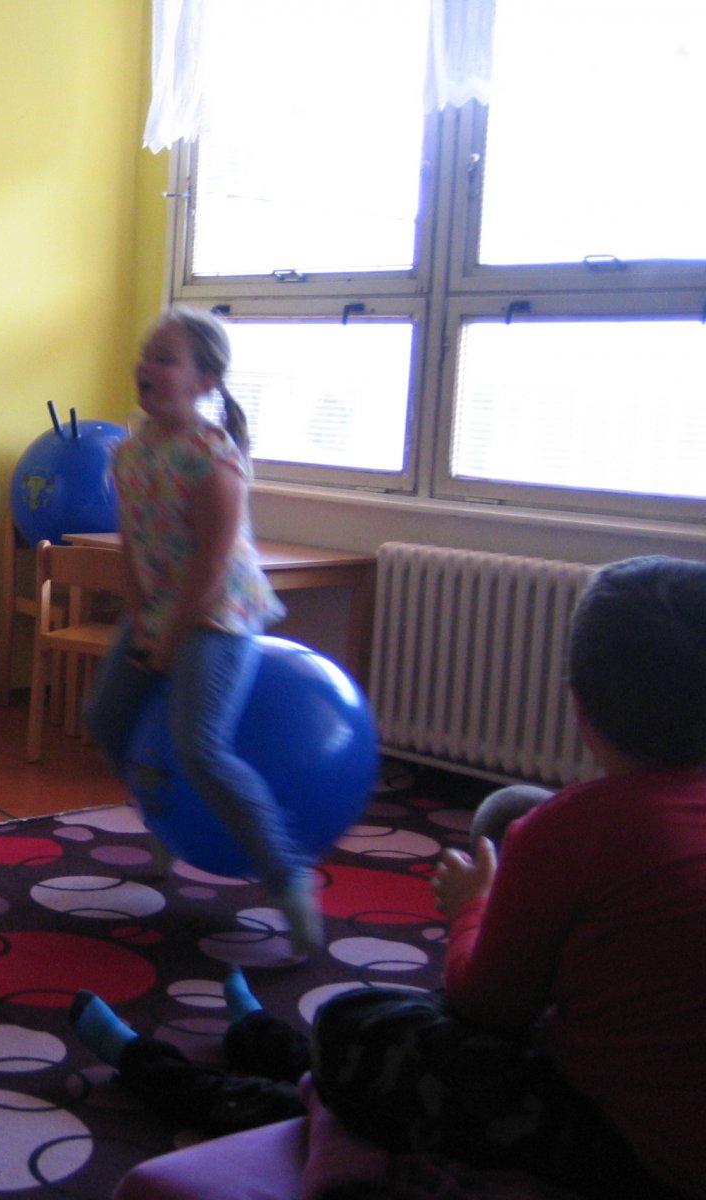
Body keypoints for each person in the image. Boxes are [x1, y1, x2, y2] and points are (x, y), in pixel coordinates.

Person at [74, 555, 706, 1198]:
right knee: (403, 1031)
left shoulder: (571, 829)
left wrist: (473, 905)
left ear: (577, 705)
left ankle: (192, 1078)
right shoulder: (578, 828)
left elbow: (485, 1006)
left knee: (354, 1025)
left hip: (618, 1148)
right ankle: (264, 1046)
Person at [82, 305, 321, 956]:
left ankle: (288, 878)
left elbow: (213, 566)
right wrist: (142, 622)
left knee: (201, 747)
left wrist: (171, 637)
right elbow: (132, 547)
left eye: (164, 357)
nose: (146, 365)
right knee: (105, 720)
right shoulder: (130, 452)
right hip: (160, 609)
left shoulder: (212, 456)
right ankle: (164, 820)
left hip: (219, 614)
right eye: (145, 354)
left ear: (204, 381)